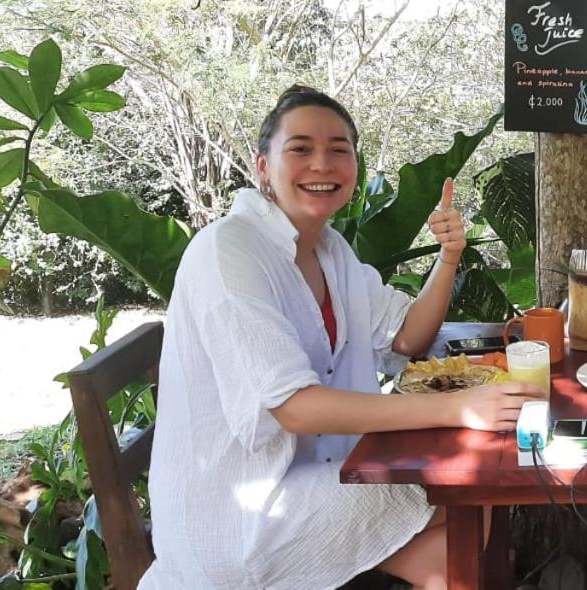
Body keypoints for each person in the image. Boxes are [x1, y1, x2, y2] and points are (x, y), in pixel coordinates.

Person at [139, 85, 545, 590]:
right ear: (263, 165)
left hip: (320, 472)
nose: (322, 164)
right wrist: (461, 408)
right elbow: (294, 407)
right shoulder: (228, 251)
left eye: (339, 149)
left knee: (460, 541)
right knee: (460, 489)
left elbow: (407, 338)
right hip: (241, 514)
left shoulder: (330, 251)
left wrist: (447, 257)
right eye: (301, 148)